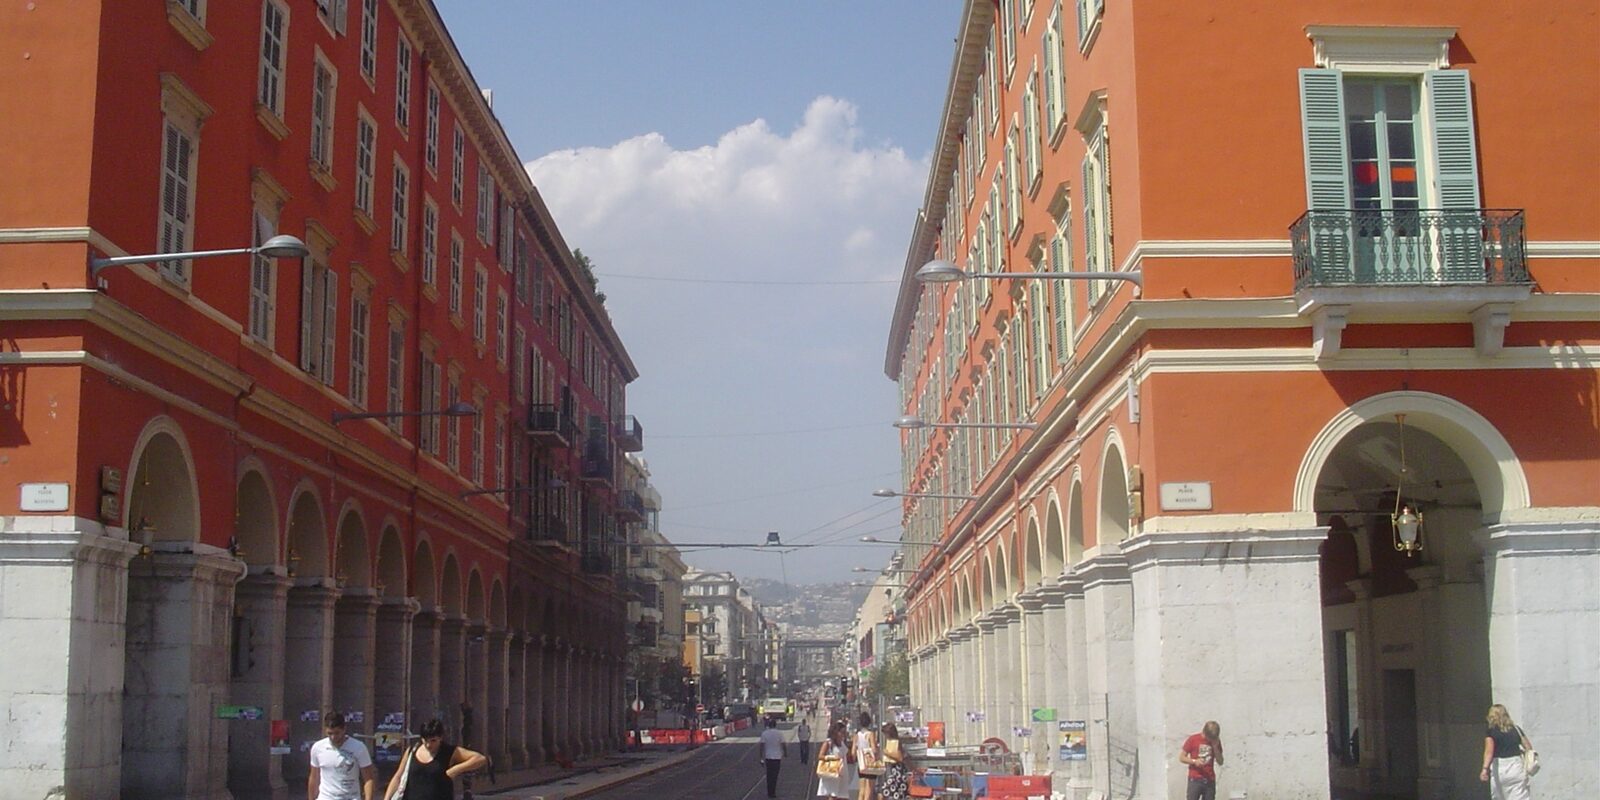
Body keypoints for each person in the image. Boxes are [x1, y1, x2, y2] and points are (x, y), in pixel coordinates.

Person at [382, 718, 488, 800]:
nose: (428, 745)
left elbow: (480, 758)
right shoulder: (412, 750)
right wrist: (387, 798)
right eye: (425, 740)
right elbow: (398, 776)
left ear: (440, 738)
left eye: (433, 740)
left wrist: (455, 770)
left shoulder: (449, 752)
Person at [309, 711, 375, 800]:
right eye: (330, 733)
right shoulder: (318, 748)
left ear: (344, 729)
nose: (333, 737)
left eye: (337, 733)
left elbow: (368, 778)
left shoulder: (359, 747)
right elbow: (314, 778)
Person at [1481, 704, 1534, 800]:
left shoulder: (1491, 732)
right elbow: (1528, 747)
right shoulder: (1516, 729)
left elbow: (1489, 752)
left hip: (1500, 769)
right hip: (1517, 767)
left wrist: (1485, 769)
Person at [1178, 720, 1224, 800]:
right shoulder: (1193, 739)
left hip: (1209, 779)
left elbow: (1220, 761)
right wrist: (1194, 761)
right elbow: (1182, 757)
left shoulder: (1215, 741)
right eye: (1210, 738)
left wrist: (1215, 747)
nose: (1211, 740)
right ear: (1205, 733)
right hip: (1195, 779)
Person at [815, 720, 856, 800]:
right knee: (833, 796)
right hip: (832, 773)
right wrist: (832, 757)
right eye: (842, 732)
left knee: (842, 796)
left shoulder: (842, 743)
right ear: (836, 732)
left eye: (844, 732)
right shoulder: (828, 743)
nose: (844, 735)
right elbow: (820, 756)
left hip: (842, 774)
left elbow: (848, 756)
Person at [876, 722, 909, 800]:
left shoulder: (896, 743)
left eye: (886, 734)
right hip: (891, 771)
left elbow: (900, 757)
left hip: (896, 772)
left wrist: (888, 753)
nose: (885, 736)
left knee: (884, 791)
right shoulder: (890, 742)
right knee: (886, 792)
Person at [759, 716, 787, 798]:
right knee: (775, 775)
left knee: (769, 775)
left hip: (768, 757)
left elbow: (761, 746)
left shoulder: (764, 733)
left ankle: (769, 791)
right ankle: (773, 792)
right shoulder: (779, 733)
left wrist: (761, 757)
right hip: (777, 757)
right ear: (775, 725)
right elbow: (783, 744)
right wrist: (785, 753)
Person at [854, 712, 879, 800]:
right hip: (869, 763)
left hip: (860, 763)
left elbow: (853, 751)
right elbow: (874, 749)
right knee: (869, 789)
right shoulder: (870, 734)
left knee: (862, 790)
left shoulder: (857, 735)